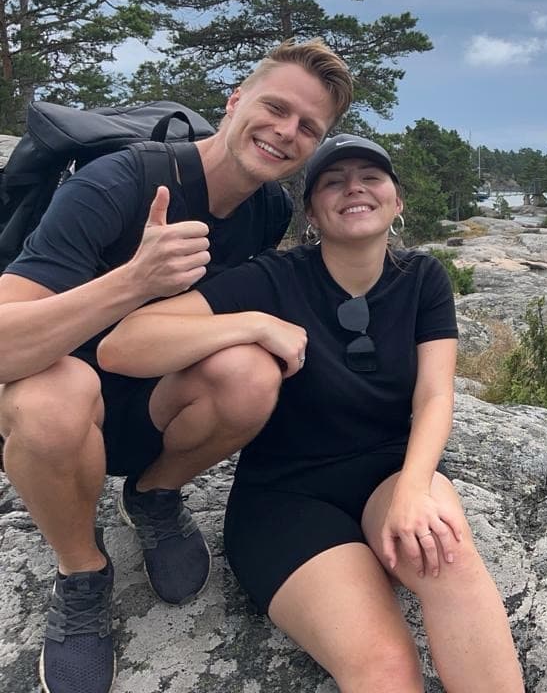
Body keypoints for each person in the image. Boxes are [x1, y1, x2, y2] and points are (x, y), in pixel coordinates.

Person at [99, 135, 524, 693]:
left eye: (371, 176)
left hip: (393, 474)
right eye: (333, 179)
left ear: (397, 202)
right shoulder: (274, 279)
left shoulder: (422, 279)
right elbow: (124, 344)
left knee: (451, 562)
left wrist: (416, 489)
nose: (354, 187)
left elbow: (435, 397)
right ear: (313, 212)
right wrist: (252, 324)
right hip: (286, 496)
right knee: (386, 670)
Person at [0, 39, 353, 693]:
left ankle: (153, 495)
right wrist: (133, 281)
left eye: (309, 127)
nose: (286, 132)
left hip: (154, 396)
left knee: (251, 375)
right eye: (276, 107)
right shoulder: (118, 184)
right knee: (51, 400)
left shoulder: (267, 210)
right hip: (69, 406)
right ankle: (82, 572)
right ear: (235, 100)